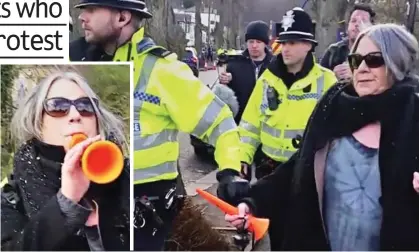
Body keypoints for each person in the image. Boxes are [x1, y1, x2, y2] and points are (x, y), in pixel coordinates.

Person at [69, 0, 249, 250]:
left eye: (91, 9)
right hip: (92, 200)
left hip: (146, 211)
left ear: (122, 18)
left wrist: (229, 171)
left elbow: (220, 122)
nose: (82, 17)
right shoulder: (79, 59)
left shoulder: (164, 72)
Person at [226, 23, 419, 251]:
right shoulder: (334, 105)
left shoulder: (412, 116)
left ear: (398, 62)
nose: (362, 69)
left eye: (374, 59)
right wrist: (252, 202)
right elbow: (299, 169)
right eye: (356, 60)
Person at [1, 72, 130, 251]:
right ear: (37, 124)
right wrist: (66, 201)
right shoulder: (11, 199)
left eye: (85, 106)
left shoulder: (128, 176)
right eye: (58, 106)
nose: (76, 114)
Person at [238, 8, 337, 182]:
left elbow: (337, 134)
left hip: (308, 173)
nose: (285, 49)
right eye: (283, 43)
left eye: (291, 43)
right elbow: (250, 126)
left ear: (308, 45)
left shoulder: (327, 81)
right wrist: (242, 159)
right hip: (268, 172)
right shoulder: (267, 79)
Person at [219, 20, 273, 125]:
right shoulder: (234, 65)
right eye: (251, 41)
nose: (254, 46)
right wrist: (227, 81)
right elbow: (227, 99)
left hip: (267, 125)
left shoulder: (275, 65)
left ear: (265, 43)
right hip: (240, 124)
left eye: (258, 42)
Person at [320, 3, 375, 81]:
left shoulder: (378, 52)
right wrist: (332, 76)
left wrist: (356, 76)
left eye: (363, 21)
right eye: (353, 21)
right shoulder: (334, 51)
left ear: (372, 27)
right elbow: (319, 80)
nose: (357, 24)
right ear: (347, 26)